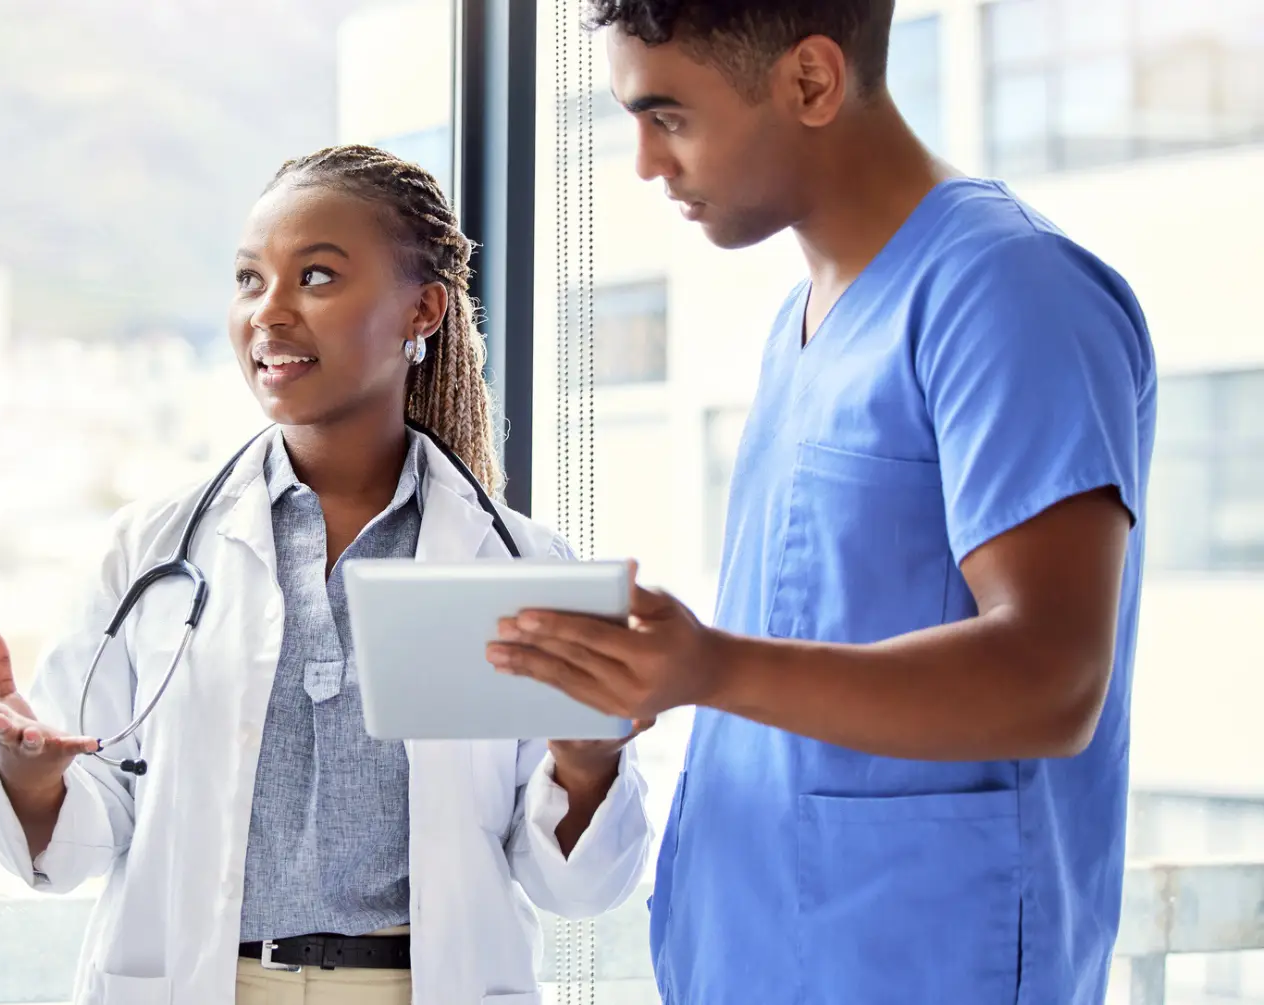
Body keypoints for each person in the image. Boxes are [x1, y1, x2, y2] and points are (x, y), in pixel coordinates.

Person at [486, 2, 1155, 1003]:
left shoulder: (1009, 291)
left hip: (921, 968)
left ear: (810, 82)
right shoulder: (799, 326)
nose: (643, 164)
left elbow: (1053, 679)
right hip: (749, 961)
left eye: (668, 116)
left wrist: (708, 665)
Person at [0, 145, 655, 1005]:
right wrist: (35, 781)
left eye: (316, 277)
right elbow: (84, 835)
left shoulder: (517, 566)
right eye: (250, 280)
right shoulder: (152, 551)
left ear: (423, 310)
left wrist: (588, 768)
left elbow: (576, 888)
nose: (269, 313)